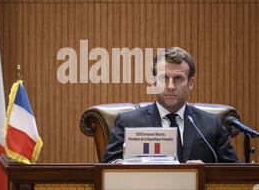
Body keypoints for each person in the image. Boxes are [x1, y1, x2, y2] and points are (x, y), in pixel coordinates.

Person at [102, 47, 239, 163]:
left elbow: (232, 172)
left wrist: (203, 171)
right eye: (163, 78)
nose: (171, 86)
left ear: (190, 83)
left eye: (178, 79)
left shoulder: (211, 124)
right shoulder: (129, 122)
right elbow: (107, 167)